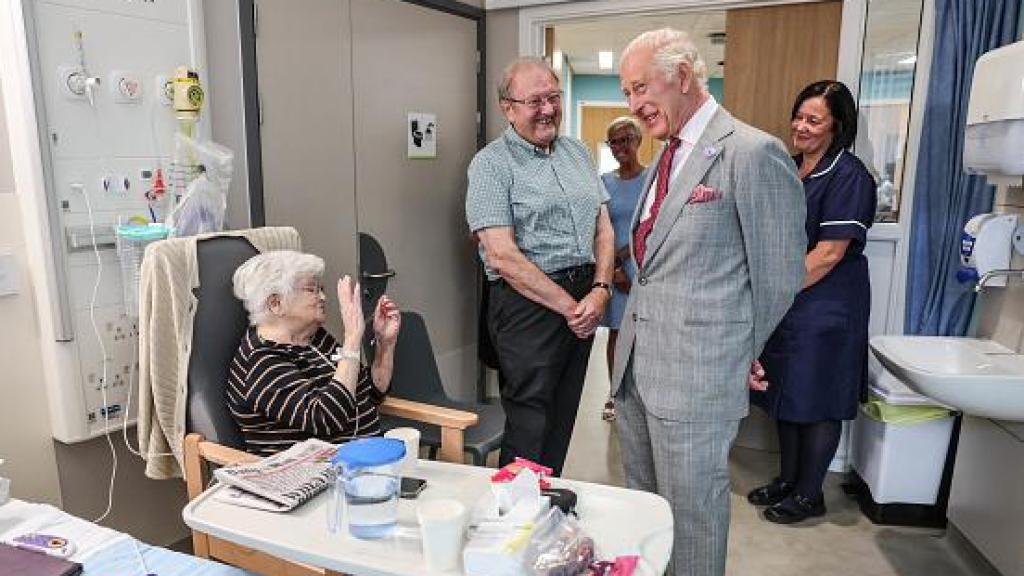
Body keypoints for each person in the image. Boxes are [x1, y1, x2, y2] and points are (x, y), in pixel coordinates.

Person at [612, 29, 806, 576]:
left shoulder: (751, 152)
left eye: (641, 87)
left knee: (691, 519)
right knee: (646, 512)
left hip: (698, 378)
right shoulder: (663, 159)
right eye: (628, 92)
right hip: (636, 370)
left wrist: (739, 351)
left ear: (683, 75)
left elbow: (780, 275)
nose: (634, 105)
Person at [466, 57, 615, 477]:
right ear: (508, 107)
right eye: (535, 101)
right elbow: (501, 255)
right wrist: (572, 308)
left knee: (563, 413)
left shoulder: (577, 153)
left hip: (585, 293)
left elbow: (603, 228)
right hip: (528, 304)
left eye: (553, 97)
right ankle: (513, 518)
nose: (548, 109)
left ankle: (544, 503)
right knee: (530, 420)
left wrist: (601, 289)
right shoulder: (491, 165)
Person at [747, 80, 877, 524]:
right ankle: (788, 479)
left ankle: (809, 493)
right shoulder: (791, 167)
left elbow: (829, 253)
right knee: (785, 391)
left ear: (837, 126)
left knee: (817, 396)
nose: (800, 126)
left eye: (813, 120)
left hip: (827, 303)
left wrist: (773, 289)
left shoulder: (849, 175)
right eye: (798, 116)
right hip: (790, 298)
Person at [227, 250, 401, 456]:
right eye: (312, 290)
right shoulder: (260, 361)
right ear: (276, 304)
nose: (323, 297)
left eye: (321, 289)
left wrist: (385, 344)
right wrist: (353, 338)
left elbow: (371, 393)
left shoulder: (314, 338)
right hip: (311, 476)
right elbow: (326, 419)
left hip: (365, 462)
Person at [599, 116, 648, 421]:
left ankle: (642, 399)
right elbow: (597, 228)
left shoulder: (652, 179)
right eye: (614, 141)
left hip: (643, 268)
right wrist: (611, 270)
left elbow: (651, 226)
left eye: (626, 139)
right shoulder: (603, 182)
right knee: (617, 335)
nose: (620, 147)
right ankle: (615, 394)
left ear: (639, 140)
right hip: (613, 272)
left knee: (645, 334)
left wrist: (626, 261)